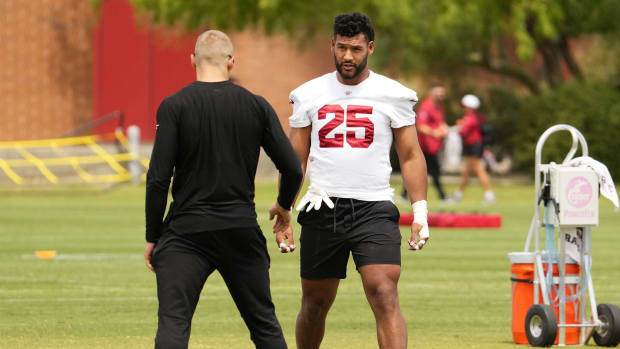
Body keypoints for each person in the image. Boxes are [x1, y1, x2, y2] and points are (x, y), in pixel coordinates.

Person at [144, 30, 303, 349]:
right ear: (231, 62)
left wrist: (153, 235)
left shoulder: (174, 106)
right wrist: (284, 207)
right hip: (240, 230)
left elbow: (159, 178)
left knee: (174, 323)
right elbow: (293, 167)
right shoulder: (255, 105)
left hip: (186, 233)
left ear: (192, 60)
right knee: (263, 324)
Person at [287, 13, 430, 349]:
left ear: (370, 47)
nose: (347, 56)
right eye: (341, 48)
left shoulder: (393, 94)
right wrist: (285, 208)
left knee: (384, 292)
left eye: (355, 48)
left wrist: (420, 214)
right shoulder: (308, 93)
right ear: (331, 46)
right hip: (323, 205)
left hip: (374, 207)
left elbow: (411, 155)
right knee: (314, 303)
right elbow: (296, 158)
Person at [401, 85, 449, 202]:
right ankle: (442, 196)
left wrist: (446, 129)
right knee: (433, 171)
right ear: (431, 93)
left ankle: (403, 194)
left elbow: (440, 123)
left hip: (433, 146)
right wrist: (435, 133)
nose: (441, 96)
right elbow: (420, 126)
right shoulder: (426, 106)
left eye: (442, 93)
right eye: (438, 93)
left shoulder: (440, 107)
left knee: (421, 171)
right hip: (424, 146)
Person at [452, 94, 495, 204]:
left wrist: (455, 128)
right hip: (474, 146)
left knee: (479, 170)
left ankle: (489, 195)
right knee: (467, 172)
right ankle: (458, 194)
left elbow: (463, 131)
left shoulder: (470, 118)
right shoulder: (476, 116)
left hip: (473, 146)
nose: (464, 108)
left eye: (465, 106)